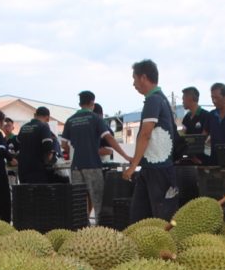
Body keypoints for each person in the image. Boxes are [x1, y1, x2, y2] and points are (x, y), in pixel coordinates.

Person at [62, 91, 131, 224]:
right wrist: (126, 156)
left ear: (79, 103)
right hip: (92, 165)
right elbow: (109, 138)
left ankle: (80, 232)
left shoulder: (70, 120)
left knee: (78, 204)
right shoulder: (95, 118)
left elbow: (64, 145)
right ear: (92, 103)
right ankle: (100, 233)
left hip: (76, 167)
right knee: (98, 202)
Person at [123, 59, 179, 221]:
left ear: (143, 77)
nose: (133, 84)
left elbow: (145, 134)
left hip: (159, 169)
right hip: (151, 168)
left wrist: (133, 165)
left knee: (162, 219)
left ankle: (167, 246)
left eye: (134, 79)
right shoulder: (159, 99)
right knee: (139, 216)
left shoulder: (154, 100)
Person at [16, 107, 60, 184]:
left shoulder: (23, 127)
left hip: (22, 167)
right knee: (38, 194)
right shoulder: (43, 126)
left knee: (25, 193)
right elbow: (47, 145)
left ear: (35, 115)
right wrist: (50, 155)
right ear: (47, 118)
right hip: (37, 168)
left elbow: (17, 143)